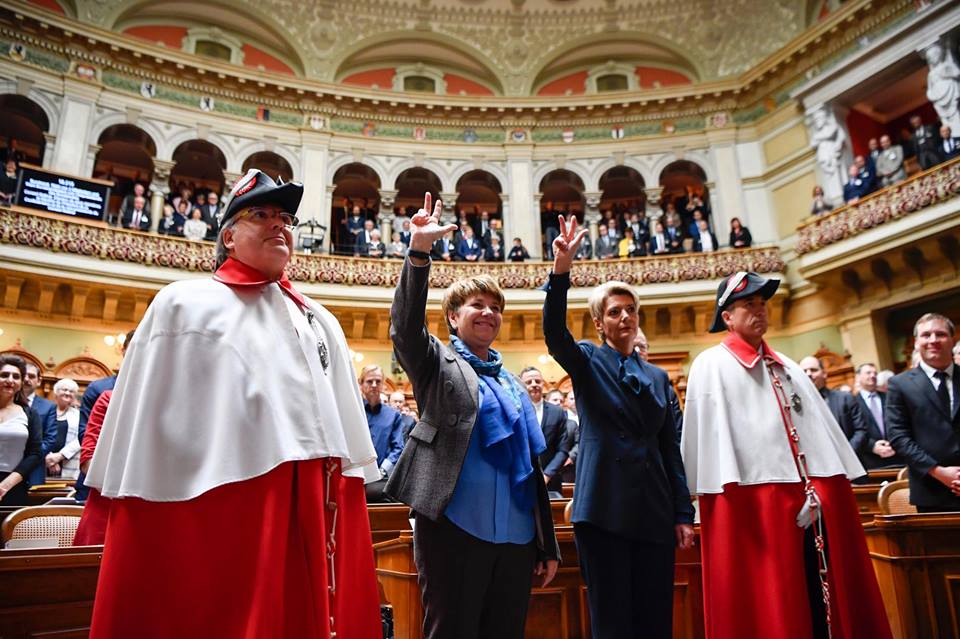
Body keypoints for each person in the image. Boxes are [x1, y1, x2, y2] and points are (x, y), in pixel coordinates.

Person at [83, 169, 381, 638]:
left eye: (284, 217)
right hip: (215, 509)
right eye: (260, 214)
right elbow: (141, 440)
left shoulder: (317, 317)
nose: (278, 224)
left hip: (306, 504)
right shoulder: (184, 304)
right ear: (227, 235)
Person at [385, 193, 559, 639]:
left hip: (518, 536)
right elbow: (405, 328)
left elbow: (531, 466)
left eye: (495, 307)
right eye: (478, 305)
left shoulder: (512, 383)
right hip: (454, 529)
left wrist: (546, 542)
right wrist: (419, 252)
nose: (489, 313)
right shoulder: (436, 362)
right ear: (453, 316)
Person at [682, 271, 891, 639]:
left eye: (763, 304)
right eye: (749, 304)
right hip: (752, 507)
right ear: (727, 316)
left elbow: (820, 442)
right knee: (769, 602)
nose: (760, 311)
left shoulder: (791, 367)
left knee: (816, 600)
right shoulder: (710, 366)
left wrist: (819, 492)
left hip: (810, 502)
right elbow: (714, 454)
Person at [543, 216, 693, 639]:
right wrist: (561, 269)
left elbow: (670, 450)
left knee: (654, 616)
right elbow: (555, 334)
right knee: (611, 620)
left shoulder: (659, 378)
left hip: (654, 509)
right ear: (599, 323)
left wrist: (682, 512)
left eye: (631, 310)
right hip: (604, 509)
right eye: (614, 311)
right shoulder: (588, 360)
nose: (625, 317)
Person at [886, 313, 960, 512]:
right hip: (931, 491)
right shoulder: (899, 384)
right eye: (926, 335)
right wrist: (939, 472)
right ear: (916, 342)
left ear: (953, 339)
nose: (933, 340)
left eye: (941, 334)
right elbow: (898, 437)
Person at [799, 356, 869, 459]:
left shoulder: (845, 398)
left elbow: (861, 431)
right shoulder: (796, 405)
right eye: (804, 371)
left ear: (824, 374)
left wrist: (846, 455)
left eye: (814, 370)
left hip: (851, 463)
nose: (808, 374)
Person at [520, 367, 574, 496]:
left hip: (551, 480)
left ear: (543, 384)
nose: (534, 385)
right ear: (521, 385)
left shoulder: (557, 412)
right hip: (522, 479)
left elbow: (563, 449)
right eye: (529, 382)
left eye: (537, 381)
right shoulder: (515, 410)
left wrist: (547, 475)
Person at [0, 354, 41, 506]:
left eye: (16, 377)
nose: (10, 380)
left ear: (20, 382)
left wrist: (5, 485)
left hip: (13, 485)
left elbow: (35, 453)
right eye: (4, 375)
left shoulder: (30, 414)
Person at [359, 365, 404, 502]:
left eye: (378, 381)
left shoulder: (393, 415)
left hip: (381, 480)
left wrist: (382, 471)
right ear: (361, 384)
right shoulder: (353, 412)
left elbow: (398, 447)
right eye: (369, 381)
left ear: (383, 385)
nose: (374, 385)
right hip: (355, 475)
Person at [853, 363, 902, 470]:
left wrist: (894, 443)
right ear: (858, 377)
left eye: (875, 373)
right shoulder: (853, 402)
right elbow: (852, 431)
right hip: (871, 462)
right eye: (868, 373)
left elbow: (899, 421)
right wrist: (872, 446)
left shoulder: (889, 398)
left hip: (897, 456)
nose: (873, 376)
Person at [23, 362, 56, 488]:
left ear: (38, 381)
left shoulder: (48, 406)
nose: (26, 379)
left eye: (31, 376)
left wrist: (29, 456)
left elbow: (50, 439)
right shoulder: (7, 404)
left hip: (34, 469)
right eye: (24, 376)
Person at [44, 378, 81, 480]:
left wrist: (59, 456)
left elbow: (80, 438)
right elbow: (39, 435)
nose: (68, 393)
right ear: (56, 392)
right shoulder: (45, 410)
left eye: (71, 391)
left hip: (67, 461)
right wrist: (49, 458)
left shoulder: (78, 415)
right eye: (64, 390)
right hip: (43, 460)